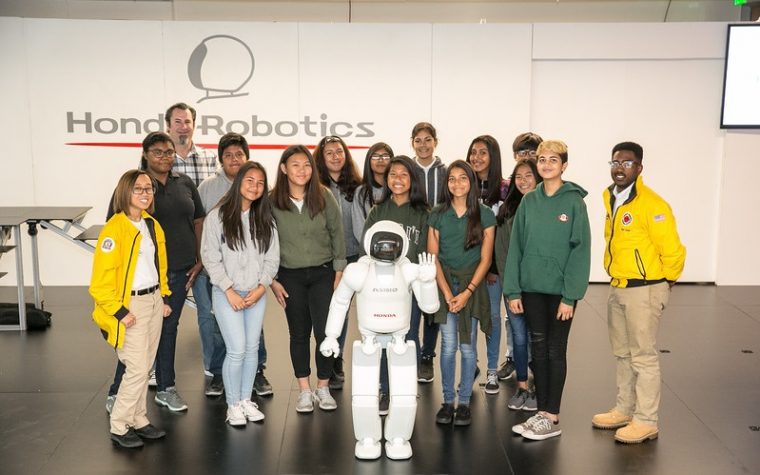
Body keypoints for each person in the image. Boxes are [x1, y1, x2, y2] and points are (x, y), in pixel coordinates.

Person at [320, 221, 439, 460]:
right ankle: (367, 438)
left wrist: (428, 282)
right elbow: (340, 301)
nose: (387, 250)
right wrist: (331, 335)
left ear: (401, 245)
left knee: (405, 393)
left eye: (391, 245)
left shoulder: (407, 268)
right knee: (363, 393)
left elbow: (430, 307)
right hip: (369, 339)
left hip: (399, 339)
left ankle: (398, 437)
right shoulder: (358, 270)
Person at [592, 142, 686, 444]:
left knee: (643, 357)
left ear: (639, 168)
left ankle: (646, 420)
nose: (620, 167)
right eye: (615, 162)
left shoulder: (653, 204)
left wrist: (664, 282)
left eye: (627, 163)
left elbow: (673, 252)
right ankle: (624, 409)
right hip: (618, 285)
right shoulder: (611, 197)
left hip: (644, 290)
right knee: (622, 354)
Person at [106, 132, 205, 413]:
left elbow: (198, 220)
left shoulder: (184, 183)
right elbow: (116, 226)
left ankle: (165, 388)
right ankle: (117, 391)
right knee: (135, 334)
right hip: (144, 277)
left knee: (167, 330)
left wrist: (198, 258)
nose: (165, 157)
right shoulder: (134, 186)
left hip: (180, 271)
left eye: (169, 152)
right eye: (158, 152)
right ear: (145, 154)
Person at [505, 140, 591, 441]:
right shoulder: (529, 201)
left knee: (556, 350)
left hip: (560, 294)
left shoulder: (574, 202)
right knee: (538, 349)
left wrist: (571, 296)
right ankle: (541, 412)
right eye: (541, 160)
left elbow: (581, 252)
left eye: (553, 160)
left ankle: (552, 416)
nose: (546, 165)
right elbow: (516, 247)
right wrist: (513, 290)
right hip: (531, 289)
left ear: (564, 165)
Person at [90, 169, 171, 448]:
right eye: (139, 189)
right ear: (125, 192)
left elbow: (158, 265)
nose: (145, 193)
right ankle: (120, 423)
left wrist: (164, 297)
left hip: (153, 300)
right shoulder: (114, 229)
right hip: (129, 305)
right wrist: (121, 312)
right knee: (136, 368)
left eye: (149, 189)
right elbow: (99, 284)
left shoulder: (150, 224)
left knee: (145, 365)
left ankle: (139, 418)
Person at [201, 161, 280, 426]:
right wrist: (229, 290)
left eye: (260, 182)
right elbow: (210, 258)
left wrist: (261, 288)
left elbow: (272, 258)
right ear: (239, 183)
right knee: (235, 350)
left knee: (251, 349)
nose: (255, 187)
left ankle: (246, 400)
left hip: (255, 294)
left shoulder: (265, 217)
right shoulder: (218, 216)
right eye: (249, 180)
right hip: (227, 294)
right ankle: (233, 404)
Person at [269, 145, 346, 413]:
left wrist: (339, 270)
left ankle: (322, 386)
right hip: (290, 276)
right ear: (283, 169)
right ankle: (304, 390)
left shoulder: (323, 196)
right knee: (299, 333)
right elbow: (265, 242)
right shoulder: (271, 201)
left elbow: (338, 233)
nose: (302, 170)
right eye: (295, 165)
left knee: (327, 332)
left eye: (306, 165)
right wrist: (272, 279)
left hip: (324, 274)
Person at [361, 155, 430, 414]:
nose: (397, 179)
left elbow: (426, 253)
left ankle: (405, 389)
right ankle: (386, 390)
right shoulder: (378, 211)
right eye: (393, 174)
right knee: (381, 340)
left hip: (409, 290)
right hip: (382, 289)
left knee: (408, 339)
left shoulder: (423, 213)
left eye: (403, 174)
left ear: (412, 178)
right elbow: (366, 250)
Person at [428, 160, 496, 426]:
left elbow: (486, 260)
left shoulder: (485, 214)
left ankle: (464, 401)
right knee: (447, 347)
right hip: (445, 284)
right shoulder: (437, 213)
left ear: (472, 182)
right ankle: (447, 401)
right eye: (452, 179)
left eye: (463, 178)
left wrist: (467, 292)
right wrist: (446, 293)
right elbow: (432, 258)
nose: (457, 183)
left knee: (468, 348)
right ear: (447, 184)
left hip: (471, 287)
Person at [164, 102, 224, 395]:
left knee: (207, 309)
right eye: (177, 122)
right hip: (175, 247)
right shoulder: (161, 160)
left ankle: (213, 367)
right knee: (165, 315)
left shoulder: (210, 158)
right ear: (168, 126)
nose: (183, 126)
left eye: (187, 121)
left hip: (207, 244)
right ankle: (159, 372)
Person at [314, 135, 363, 390]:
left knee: (345, 312)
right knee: (333, 311)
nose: (335, 156)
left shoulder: (357, 186)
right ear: (321, 159)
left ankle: (338, 355)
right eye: (329, 153)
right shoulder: (315, 186)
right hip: (329, 259)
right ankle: (330, 360)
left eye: (339, 152)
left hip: (354, 256)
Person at [494, 159, 542, 411]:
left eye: (528, 176)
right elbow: (501, 254)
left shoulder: (545, 207)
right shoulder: (508, 210)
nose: (523, 181)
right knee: (520, 338)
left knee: (539, 340)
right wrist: (510, 287)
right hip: (513, 289)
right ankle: (522, 387)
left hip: (538, 290)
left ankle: (539, 389)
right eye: (518, 177)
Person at [466, 135, 508, 394]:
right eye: (473, 152)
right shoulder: (463, 186)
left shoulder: (505, 189)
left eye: (483, 152)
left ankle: (492, 370)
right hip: (466, 266)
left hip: (493, 269)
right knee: (469, 319)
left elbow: (501, 233)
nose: (477, 157)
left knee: (492, 317)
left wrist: (492, 268)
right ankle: (472, 366)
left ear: (493, 157)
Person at [409, 122, 446, 382]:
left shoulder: (445, 172)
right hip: (411, 249)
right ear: (412, 142)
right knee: (410, 306)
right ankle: (409, 355)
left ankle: (426, 356)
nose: (423, 145)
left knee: (432, 308)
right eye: (418, 140)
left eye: (428, 139)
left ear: (435, 141)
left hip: (438, 247)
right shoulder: (406, 170)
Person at [351, 142, 394, 244]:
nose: (380, 160)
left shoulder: (398, 188)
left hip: (398, 249)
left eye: (385, 156)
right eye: (375, 156)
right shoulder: (361, 192)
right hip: (370, 251)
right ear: (368, 161)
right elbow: (359, 229)